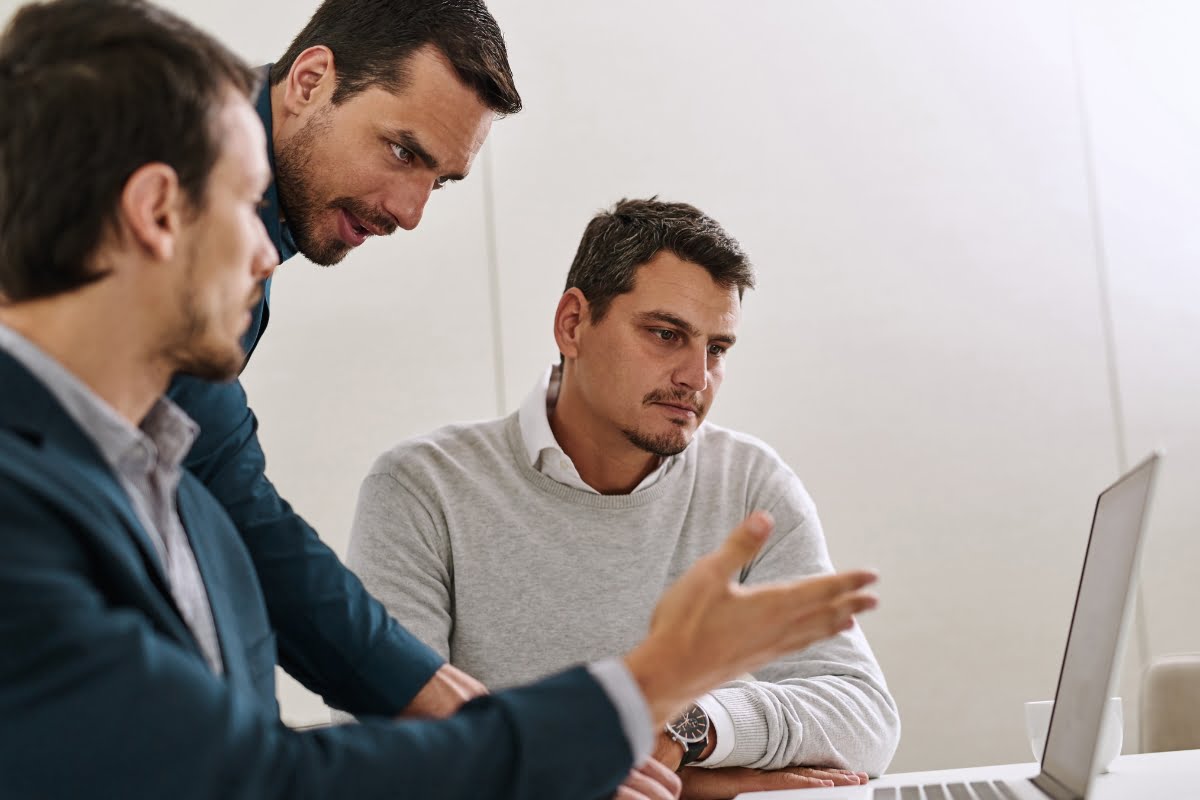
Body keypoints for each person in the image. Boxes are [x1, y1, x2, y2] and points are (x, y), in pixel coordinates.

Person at [0, 3, 882, 798]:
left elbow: (254, 724)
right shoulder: (39, 507)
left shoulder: (178, 486)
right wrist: (642, 692)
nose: (267, 261)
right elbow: (271, 776)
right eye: (403, 151)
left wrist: (573, 741)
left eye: (717, 347)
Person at [344, 198, 902, 798]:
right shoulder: (422, 489)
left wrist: (695, 728)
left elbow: (864, 716)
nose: (696, 377)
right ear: (573, 324)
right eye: (666, 335)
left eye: (717, 349)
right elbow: (392, 756)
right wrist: (689, 786)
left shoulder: (751, 484)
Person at [164, 0, 524, 722]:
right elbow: (228, 496)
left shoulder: (258, 196)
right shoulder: (182, 168)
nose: (413, 211)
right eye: (402, 151)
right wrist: (462, 715)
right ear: (310, 80)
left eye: (441, 180)